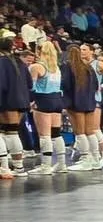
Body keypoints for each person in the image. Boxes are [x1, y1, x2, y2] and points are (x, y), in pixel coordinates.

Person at [61, 43, 103, 171]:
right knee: (90, 132)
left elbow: (65, 85)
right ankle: (96, 159)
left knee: (80, 132)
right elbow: (96, 85)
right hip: (90, 103)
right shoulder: (88, 67)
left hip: (75, 103)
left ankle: (86, 160)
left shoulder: (67, 66)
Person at [29, 39, 66, 176]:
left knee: (44, 135)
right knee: (56, 134)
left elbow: (31, 87)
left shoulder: (36, 67)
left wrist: (30, 101)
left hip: (43, 100)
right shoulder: (56, 68)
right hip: (57, 100)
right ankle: (61, 164)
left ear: (39, 51)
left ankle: (46, 165)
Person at [0, 31, 31, 178]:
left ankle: (5, 167)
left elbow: (2, 85)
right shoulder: (20, 62)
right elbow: (30, 84)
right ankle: (18, 167)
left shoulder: (2, 62)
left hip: (7, 102)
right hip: (21, 102)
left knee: (5, 133)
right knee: (12, 133)